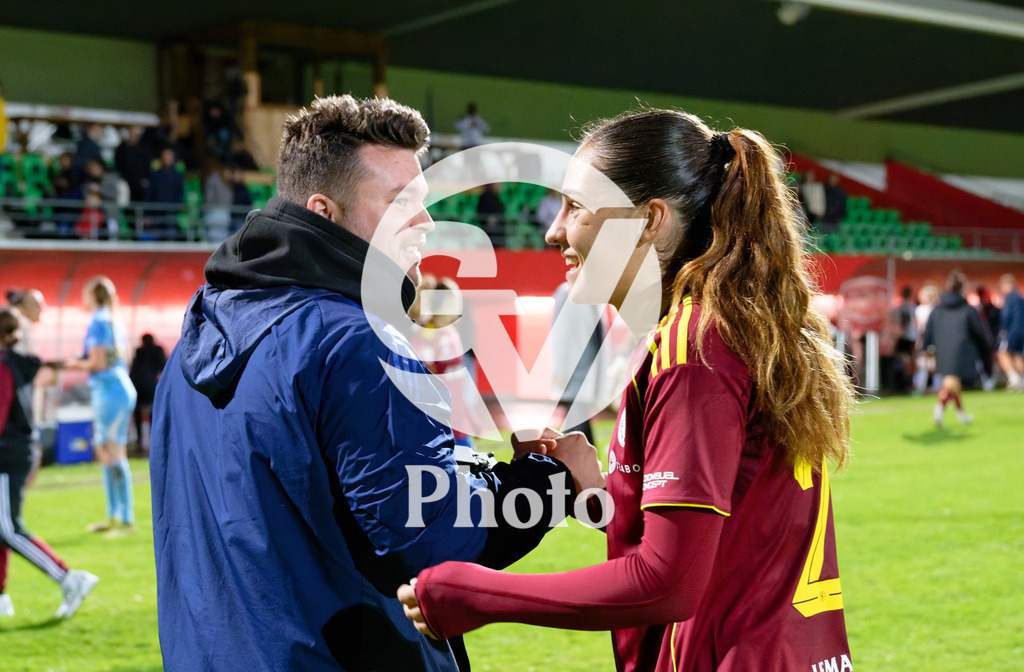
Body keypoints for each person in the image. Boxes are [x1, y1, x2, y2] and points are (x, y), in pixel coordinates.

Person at [150, 94, 598, 672]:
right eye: (400, 203)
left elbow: (318, 494)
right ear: (323, 210)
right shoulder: (357, 340)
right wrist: (553, 481)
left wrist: (480, 473)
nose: (427, 222)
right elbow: (430, 541)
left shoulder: (201, 323)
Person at [400, 108, 856, 671]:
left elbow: (669, 582)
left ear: (649, 220)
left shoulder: (696, 348)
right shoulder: (726, 326)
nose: (554, 230)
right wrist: (602, 490)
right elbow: (731, 520)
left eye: (576, 208)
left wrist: (472, 594)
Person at [0, 308, 99, 619]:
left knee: (8, 529)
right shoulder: (18, 362)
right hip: (19, 451)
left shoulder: (4, 366)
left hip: (7, 455)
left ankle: (69, 578)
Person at [64, 276, 138, 535]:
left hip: (109, 391)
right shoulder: (114, 320)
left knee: (112, 451)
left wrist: (71, 364)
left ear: (93, 295)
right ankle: (115, 515)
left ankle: (126, 519)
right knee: (107, 452)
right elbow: (124, 357)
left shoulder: (97, 321)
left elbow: (97, 363)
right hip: (117, 388)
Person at [922, 270, 992, 428]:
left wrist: (926, 348)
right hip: (962, 351)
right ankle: (938, 414)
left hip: (943, 350)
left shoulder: (938, 308)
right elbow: (979, 331)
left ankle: (959, 415)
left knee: (952, 384)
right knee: (951, 384)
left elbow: (929, 329)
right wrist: (986, 349)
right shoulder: (967, 309)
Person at [127, 333, 166, 455]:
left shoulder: (139, 351)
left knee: (138, 413)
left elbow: (133, 369)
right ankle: (155, 442)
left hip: (136, 385)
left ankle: (140, 443)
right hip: (151, 385)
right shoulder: (158, 350)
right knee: (153, 413)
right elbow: (164, 367)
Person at [997, 274, 1024, 391]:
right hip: (1021, 331)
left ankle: (1014, 379)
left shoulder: (1009, 297)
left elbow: (1006, 316)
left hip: (1012, 331)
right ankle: (1021, 380)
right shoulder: (1019, 296)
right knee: (1017, 355)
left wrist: (1003, 330)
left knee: (1002, 353)